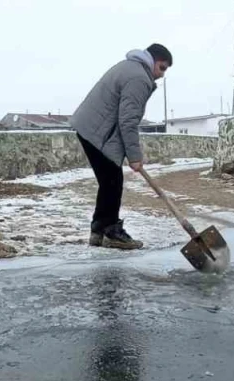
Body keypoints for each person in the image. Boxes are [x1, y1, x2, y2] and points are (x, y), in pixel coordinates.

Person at [70, 43, 172, 250]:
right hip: (99, 132)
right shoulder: (139, 78)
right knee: (112, 181)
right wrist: (134, 157)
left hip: (91, 128)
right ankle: (111, 232)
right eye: (162, 67)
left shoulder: (130, 67)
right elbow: (128, 121)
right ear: (152, 60)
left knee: (109, 181)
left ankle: (99, 231)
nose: (161, 75)